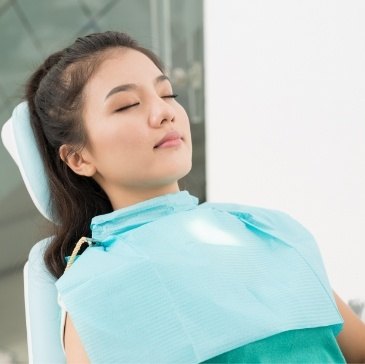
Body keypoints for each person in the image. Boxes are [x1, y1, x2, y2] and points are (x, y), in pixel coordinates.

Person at [23, 31, 365, 363]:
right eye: (127, 105)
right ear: (78, 158)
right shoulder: (97, 286)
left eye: (168, 95)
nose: (164, 112)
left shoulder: (266, 228)